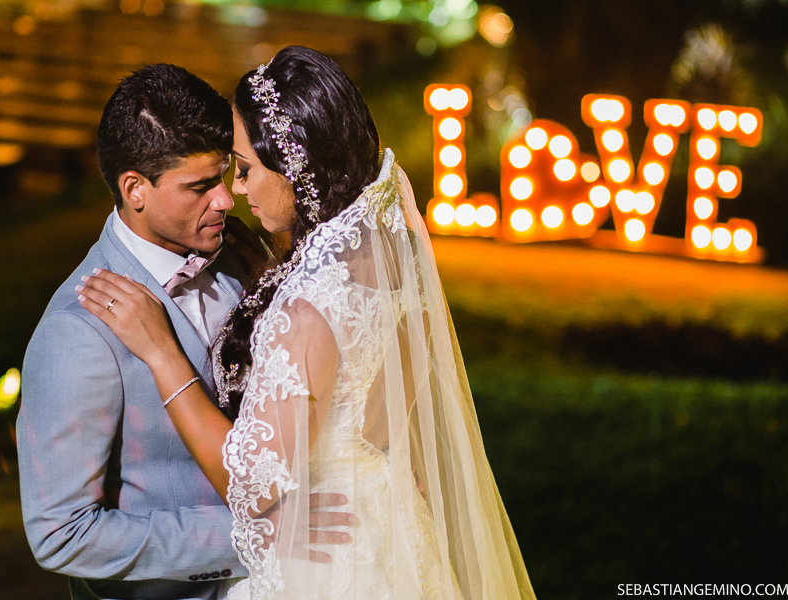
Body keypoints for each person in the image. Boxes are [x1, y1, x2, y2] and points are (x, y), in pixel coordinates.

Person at [79, 46, 537, 599]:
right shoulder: (394, 262)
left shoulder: (307, 308)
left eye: (246, 170)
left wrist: (162, 353)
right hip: (389, 529)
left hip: (323, 560)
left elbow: (252, 487)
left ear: (294, 171)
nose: (237, 191)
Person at [17, 63, 350, 600]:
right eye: (199, 186)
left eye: (225, 174)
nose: (225, 200)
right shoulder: (78, 333)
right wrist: (252, 536)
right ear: (135, 189)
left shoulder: (239, 254)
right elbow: (62, 535)